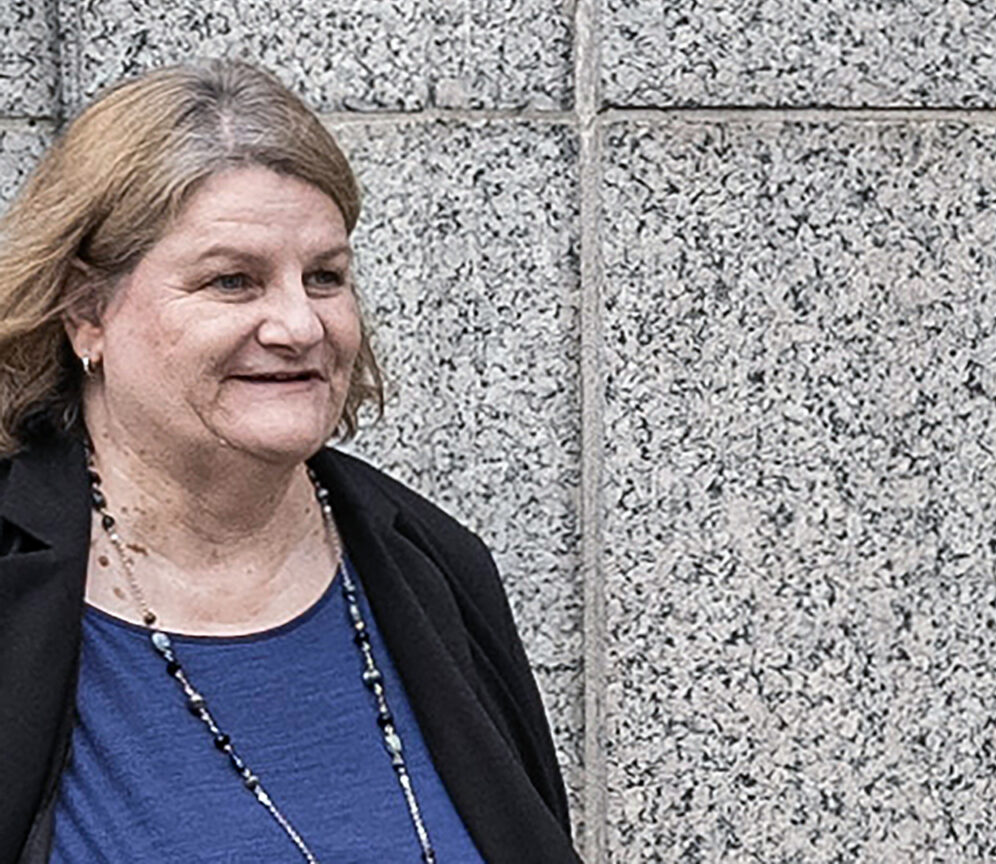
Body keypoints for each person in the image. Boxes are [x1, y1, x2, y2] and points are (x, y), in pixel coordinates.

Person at [0, 60, 581, 863]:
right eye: (233, 280)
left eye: (325, 277)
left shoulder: (433, 568)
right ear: (86, 312)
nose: (300, 326)